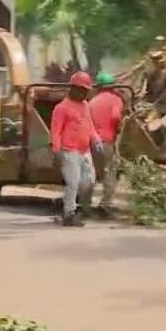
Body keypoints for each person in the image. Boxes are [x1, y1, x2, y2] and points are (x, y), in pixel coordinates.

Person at [51, 71, 103, 227]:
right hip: (69, 150)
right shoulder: (61, 108)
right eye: (82, 90)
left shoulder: (85, 106)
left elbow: (90, 126)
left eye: (86, 90)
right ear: (73, 88)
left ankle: (67, 201)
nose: (84, 93)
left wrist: (96, 140)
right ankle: (69, 213)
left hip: (84, 150)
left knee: (89, 180)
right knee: (72, 183)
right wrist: (57, 150)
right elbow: (55, 131)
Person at [89, 72, 125, 217]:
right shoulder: (116, 100)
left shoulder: (92, 101)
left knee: (93, 172)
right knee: (109, 171)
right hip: (106, 141)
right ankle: (106, 203)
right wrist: (118, 127)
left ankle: (86, 202)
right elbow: (116, 116)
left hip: (92, 141)